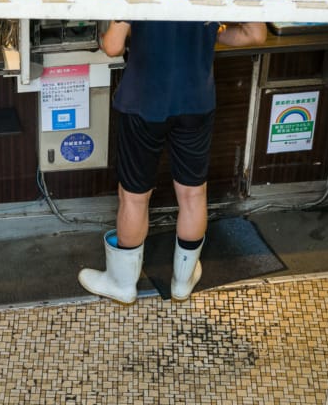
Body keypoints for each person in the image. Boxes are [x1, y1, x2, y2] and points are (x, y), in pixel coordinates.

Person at [78, 19, 267, 304]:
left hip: (142, 102)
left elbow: (113, 46)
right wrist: (207, 34)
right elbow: (255, 34)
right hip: (196, 102)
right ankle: (182, 282)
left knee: (134, 197)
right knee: (192, 194)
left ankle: (122, 284)